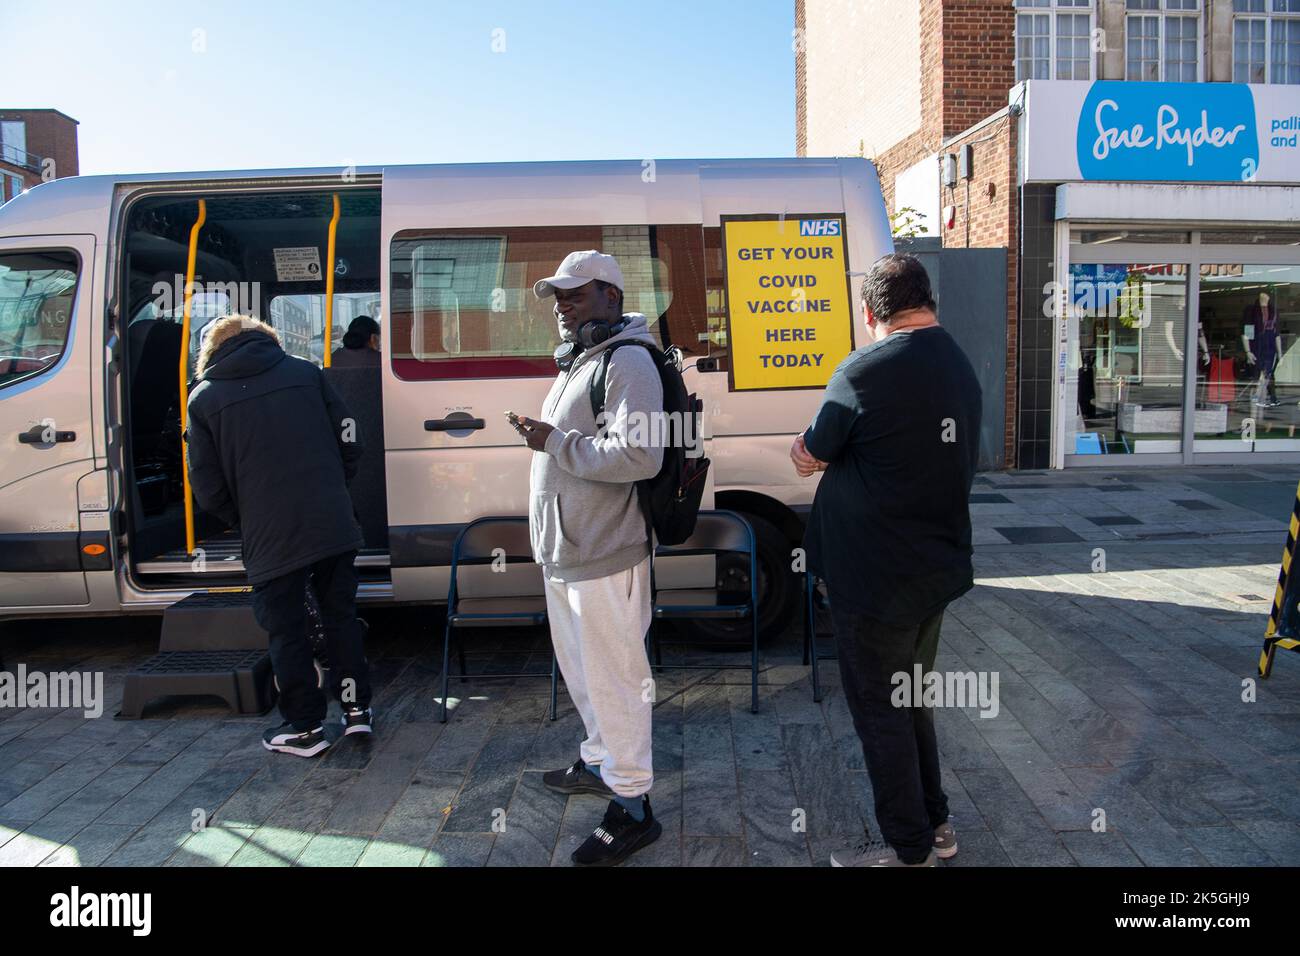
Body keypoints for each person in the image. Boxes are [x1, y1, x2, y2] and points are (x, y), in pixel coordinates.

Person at [791, 253, 982, 867]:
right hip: (933, 570)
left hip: (876, 578)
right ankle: (936, 827)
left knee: (882, 710)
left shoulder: (863, 370)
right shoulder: (957, 361)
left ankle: (909, 849)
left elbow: (814, 449)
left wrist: (805, 450)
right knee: (910, 699)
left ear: (870, 312)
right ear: (929, 302)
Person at [509, 250, 664, 866]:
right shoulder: (583, 361)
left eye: (575, 296)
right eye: (557, 298)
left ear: (611, 298)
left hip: (605, 552)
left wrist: (554, 442)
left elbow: (641, 455)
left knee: (617, 679)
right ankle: (602, 760)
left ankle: (632, 804)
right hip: (568, 551)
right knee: (582, 672)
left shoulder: (628, 361)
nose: (562, 308)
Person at [185, 315, 374, 757]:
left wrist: (245, 516)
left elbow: (206, 485)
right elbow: (351, 437)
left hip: (269, 532)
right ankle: (356, 712)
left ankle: (305, 729)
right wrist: (334, 487)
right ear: (266, 339)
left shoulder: (205, 398)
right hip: (330, 520)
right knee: (340, 618)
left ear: (211, 350)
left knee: (287, 630)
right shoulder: (306, 373)